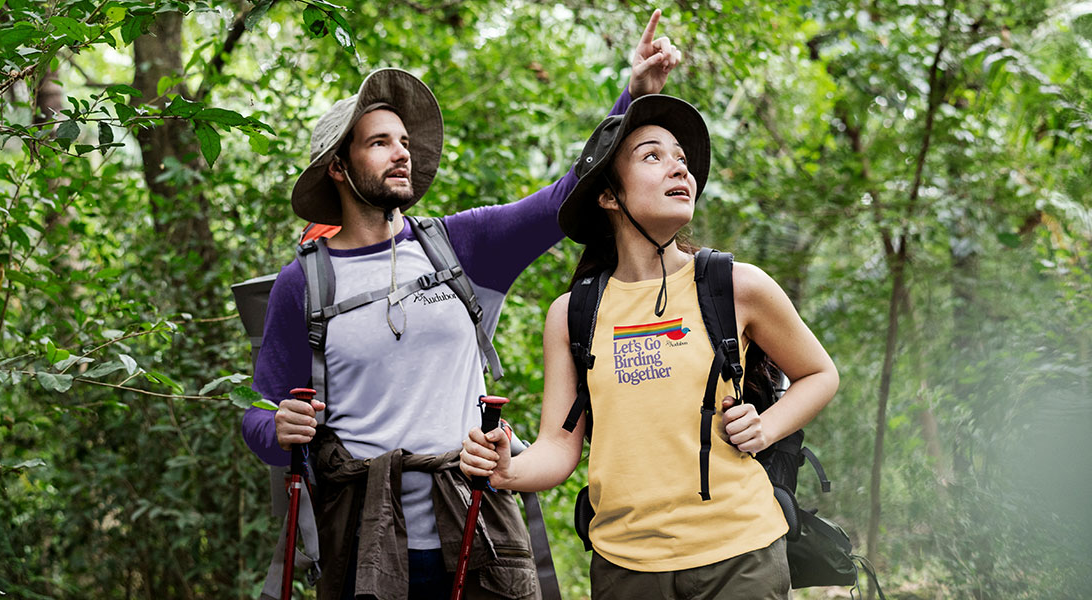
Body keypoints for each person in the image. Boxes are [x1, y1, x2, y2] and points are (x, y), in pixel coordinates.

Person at [241, 10, 684, 600]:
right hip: (362, 550)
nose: (401, 153)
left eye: (404, 142)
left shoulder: (461, 247)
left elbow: (562, 196)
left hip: (478, 533)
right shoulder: (302, 284)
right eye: (379, 143)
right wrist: (277, 426)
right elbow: (256, 412)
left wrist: (630, 98)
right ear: (339, 168)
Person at [459, 94, 840, 599]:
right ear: (609, 197)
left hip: (740, 554)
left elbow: (819, 374)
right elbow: (557, 446)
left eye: (682, 158)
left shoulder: (735, 284)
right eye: (652, 156)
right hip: (625, 564)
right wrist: (509, 469)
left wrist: (764, 427)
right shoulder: (571, 313)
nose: (678, 167)